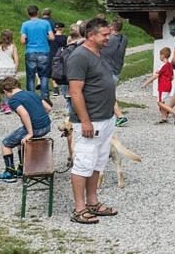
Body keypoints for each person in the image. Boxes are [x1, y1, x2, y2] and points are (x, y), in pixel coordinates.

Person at [67, 17, 118, 224]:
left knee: (97, 162)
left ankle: (93, 202)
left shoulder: (99, 54)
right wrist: (85, 121)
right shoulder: (79, 57)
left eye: (109, 34)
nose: (109, 37)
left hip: (105, 118)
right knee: (83, 164)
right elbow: (75, 92)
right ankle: (79, 209)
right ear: (90, 36)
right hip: (91, 120)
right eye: (105, 34)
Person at [0, 76, 52, 183]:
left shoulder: (14, 100)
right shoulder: (31, 93)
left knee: (6, 144)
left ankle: (10, 172)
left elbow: (24, 114)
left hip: (35, 129)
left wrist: (30, 133)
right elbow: (48, 108)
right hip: (46, 126)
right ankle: (22, 167)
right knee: (18, 140)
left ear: (5, 91)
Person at [20, 4, 54, 99]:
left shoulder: (25, 24)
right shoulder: (45, 23)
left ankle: (31, 96)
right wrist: (45, 36)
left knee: (30, 76)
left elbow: (22, 41)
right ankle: (45, 95)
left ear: (28, 13)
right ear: (38, 12)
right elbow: (52, 37)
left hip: (30, 51)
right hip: (44, 51)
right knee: (43, 75)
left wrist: (27, 39)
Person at [140, 47, 175, 124]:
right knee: (163, 102)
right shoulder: (170, 66)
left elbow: (156, 75)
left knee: (159, 102)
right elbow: (172, 77)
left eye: (160, 55)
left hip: (163, 86)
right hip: (169, 86)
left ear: (162, 56)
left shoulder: (162, 65)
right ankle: (164, 118)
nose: (159, 57)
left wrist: (146, 83)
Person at [101, 20, 129, 127]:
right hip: (117, 69)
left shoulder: (109, 39)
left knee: (109, 95)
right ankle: (110, 115)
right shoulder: (124, 39)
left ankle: (120, 116)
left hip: (108, 70)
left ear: (112, 28)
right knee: (108, 94)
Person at [0, 29, 20, 114]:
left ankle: (5, 104)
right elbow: (16, 59)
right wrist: (15, 69)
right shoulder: (12, 46)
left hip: (0, 68)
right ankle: (10, 103)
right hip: (10, 68)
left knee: (3, 87)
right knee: (10, 87)